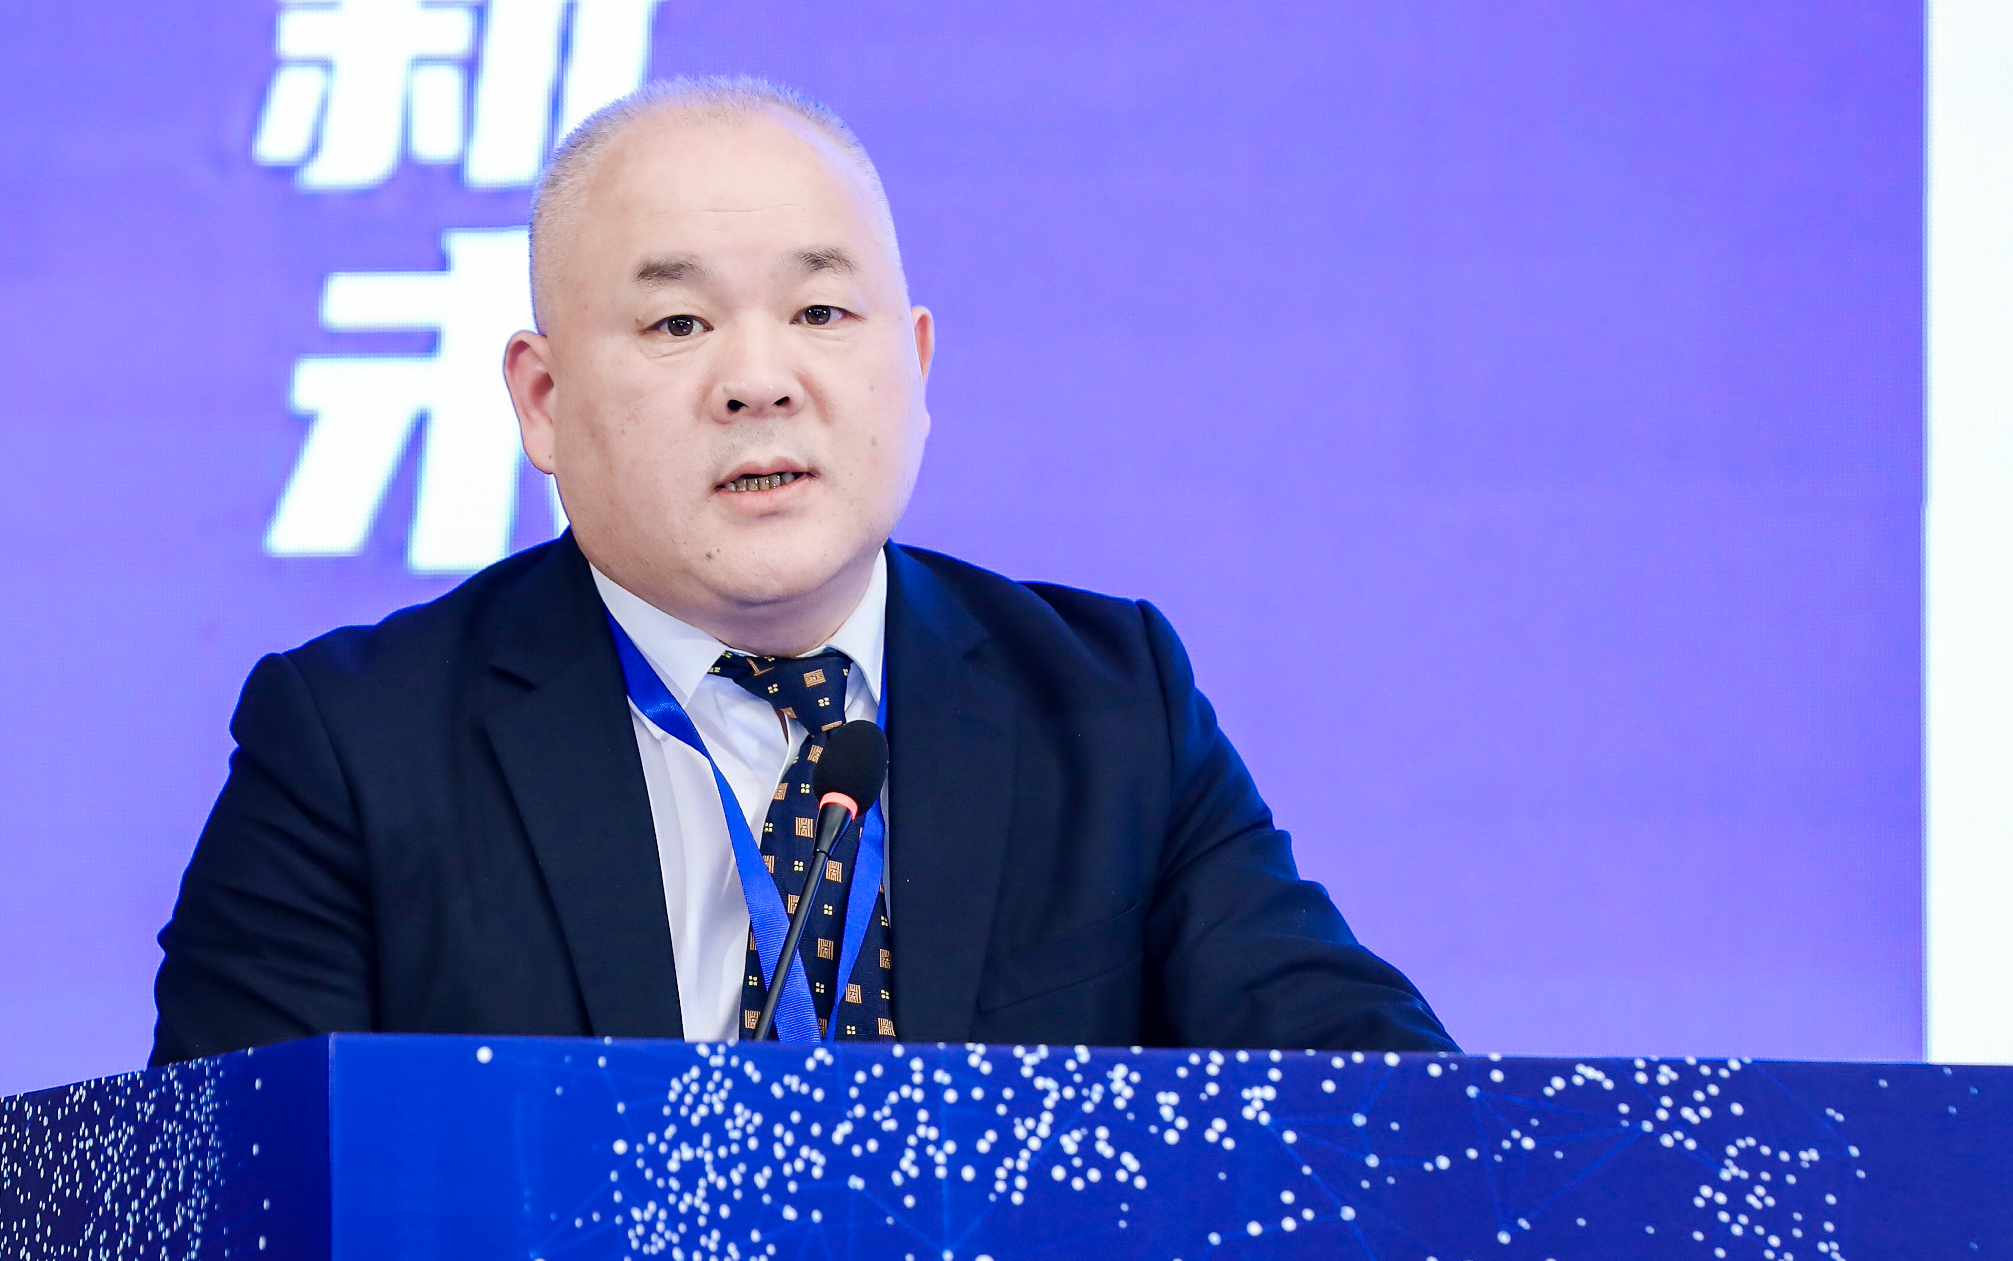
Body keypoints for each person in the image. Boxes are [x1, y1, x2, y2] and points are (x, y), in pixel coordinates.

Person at [151, 76, 1450, 1060]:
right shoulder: (354, 749)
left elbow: (1383, 1103)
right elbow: (228, 1229)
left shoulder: (1110, 707)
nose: (759, 380)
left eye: (822, 312)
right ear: (542, 402)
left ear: (916, 364)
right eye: (678, 322)